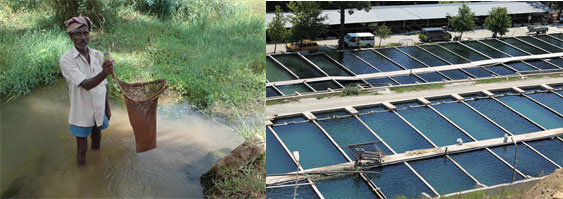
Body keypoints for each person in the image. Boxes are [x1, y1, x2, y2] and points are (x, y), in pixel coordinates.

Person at [60, 16, 114, 165]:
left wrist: (106, 108)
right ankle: (82, 177)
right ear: (71, 37)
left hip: (98, 107)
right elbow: (86, 84)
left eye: (85, 33)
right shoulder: (66, 60)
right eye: (78, 34)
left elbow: (104, 85)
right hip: (81, 110)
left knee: (97, 139)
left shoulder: (96, 55)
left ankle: (97, 166)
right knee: (82, 149)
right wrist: (105, 72)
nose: (82, 37)